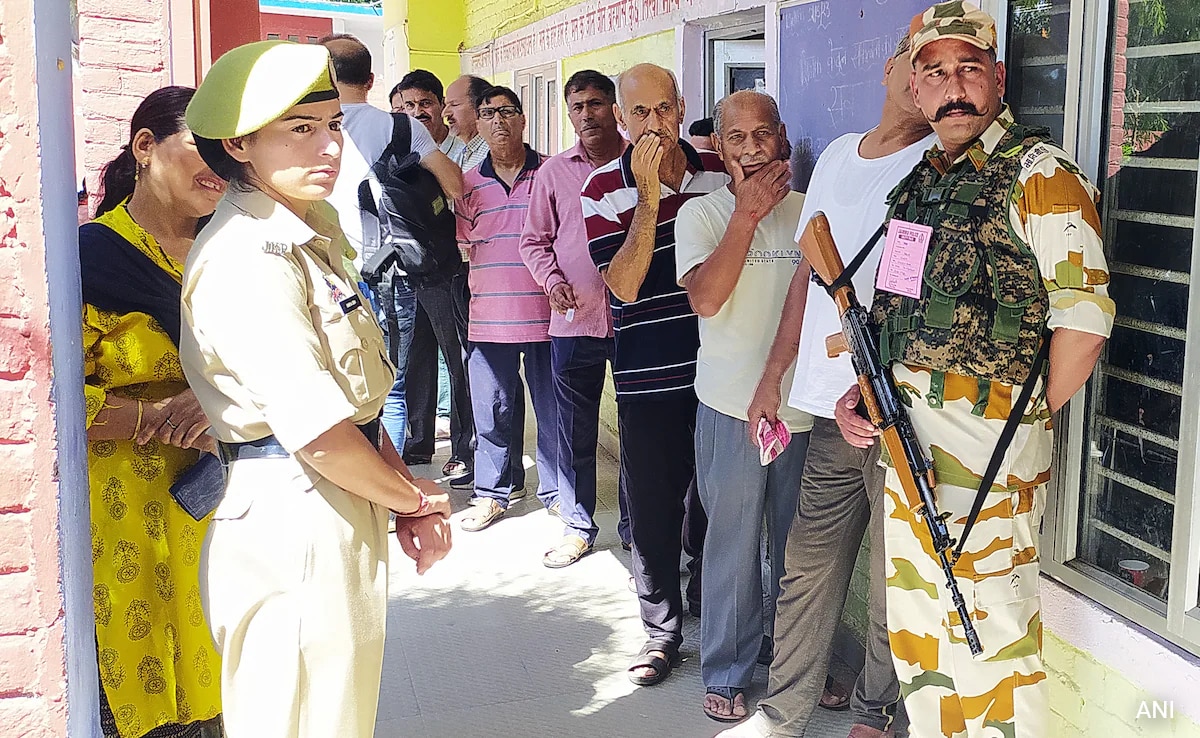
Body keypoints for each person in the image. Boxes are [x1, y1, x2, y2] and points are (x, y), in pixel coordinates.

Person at [833, 4, 1113, 736]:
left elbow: (1082, 327)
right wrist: (862, 395)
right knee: (925, 637)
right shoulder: (922, 183)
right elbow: (893, 314)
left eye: (966, 70)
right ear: (915, 90)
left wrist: (1012, 427)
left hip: (988, 457)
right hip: (908, 450)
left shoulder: (1040, 176)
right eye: (934, 73)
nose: (952, 87)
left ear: (995, 78)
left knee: (991, 640)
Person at [181, 40, 453, 737]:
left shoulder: (311, 233)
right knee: (306, 719)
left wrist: (401, 496)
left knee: (340, 712)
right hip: (293, 513)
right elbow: (319, 436)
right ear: (239, 143)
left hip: (334, 499)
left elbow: (354, 408)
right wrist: (415, 499)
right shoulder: (249, 258)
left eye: (332, 124)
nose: (328, 146)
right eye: (300, 129)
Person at [723, 34, 934, 738]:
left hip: (898, 413)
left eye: (948, 70)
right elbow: (807, 279)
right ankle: (782, 715)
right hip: (827, 407)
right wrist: (775, 374)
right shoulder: (842, 154)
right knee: (805, 570)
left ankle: (873, 716)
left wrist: (878, 389)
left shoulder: (942, 163)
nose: (930, 81)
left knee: (888, 587)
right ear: (891, 67)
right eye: (921, 64)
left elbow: (913, 295)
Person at [80, 85, 225, 738]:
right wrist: (153, 416)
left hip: (230, 505)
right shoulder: (90, 259)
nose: (219, 167)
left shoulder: (240, 253)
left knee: (233, 679)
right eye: (203, 148)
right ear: (145, 147)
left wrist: (222, 393)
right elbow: (52, 400)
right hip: (127, 513)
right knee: (149, 691)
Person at [582, 62, 729, 686]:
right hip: (647, 379)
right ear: (621, 118)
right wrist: (648, 199)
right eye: (638, 113)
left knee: (716, 504)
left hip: (720, 373)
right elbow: (621, 283)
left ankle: (708, 605)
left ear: (680, 106)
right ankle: (660, 630)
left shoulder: (719, 175)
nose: (653, 124)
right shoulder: (600, 190)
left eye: (663, 109)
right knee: (653, 509)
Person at [674, 90, 812, 723]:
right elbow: (705, 299)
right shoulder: (702, 214)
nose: (752, 149)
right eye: (737, 138)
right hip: (729, 406)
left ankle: (790, 663)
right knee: (730, 545)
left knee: (798, 548)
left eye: (763, 135)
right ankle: (727, 668)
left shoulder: (813, 211)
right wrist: (746, 218)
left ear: (781, 137)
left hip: (801, 411)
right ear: (719, 146)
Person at [320, 34, 463, 458]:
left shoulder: (300, 129)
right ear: (371, 79)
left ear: (324, 76)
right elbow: (455, 185)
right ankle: (392, 495)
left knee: (331, 383)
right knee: (391, 389)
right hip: (388, 271)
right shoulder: (401, 127)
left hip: (323, 270)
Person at [518, 69, 628, 566]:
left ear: (615, 108)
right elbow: (534, 241)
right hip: (574, 321)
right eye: (577, 106)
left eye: (597, 103)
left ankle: (635, 525)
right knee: (574, 429)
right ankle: (577, 523)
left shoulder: (639, 165)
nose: (587, 114)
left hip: (635, 321)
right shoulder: (554, 173)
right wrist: (552, 280)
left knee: (640, 433)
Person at [454, 86, 559, 532]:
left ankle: (557, 493)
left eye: (508, 112)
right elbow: (462, 246)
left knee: (553, 411)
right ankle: (492, 494)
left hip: (549, 319)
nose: (499, 121)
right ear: (477, 125)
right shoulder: (466, 183)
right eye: (488, 113)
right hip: (488, 319)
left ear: (523, 119)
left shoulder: (551, 174)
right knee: (491, 410)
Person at [390, 68, 476, 483]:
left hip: (452, 271)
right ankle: (418, 440)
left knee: (459, 358)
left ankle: (466, 449)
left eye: (425, 103)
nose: (417, 111)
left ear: (441, 106)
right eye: (408, 106)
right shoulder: (402, 150)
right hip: (412, 269)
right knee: (417, 357)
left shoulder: (458, 153)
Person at [393, 69, 465, 162]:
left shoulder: (463, 153)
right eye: (410, 105)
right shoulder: (403, 155)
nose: (418, 113)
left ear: (443, 104)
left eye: (426, 103)